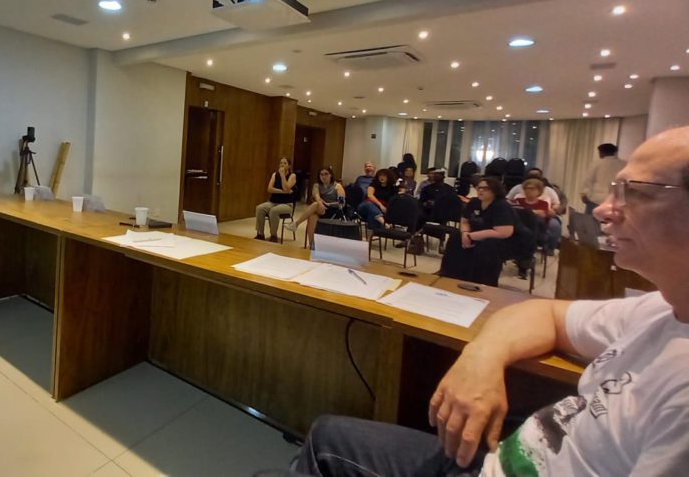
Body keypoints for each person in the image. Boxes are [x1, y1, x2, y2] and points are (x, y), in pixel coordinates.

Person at [277, 125, 689, 477]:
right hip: (501, 454)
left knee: (326, 441)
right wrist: (483, 356)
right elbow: (545, 311)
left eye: (633, 191)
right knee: (329, 433)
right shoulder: (656, 312)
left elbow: (505, 236)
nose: (602, 210)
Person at [439, 177, 516, 287]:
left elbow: (503, 232)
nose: (481, 190)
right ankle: (449, 274)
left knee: (487, 246)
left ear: (495, 190)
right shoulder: (474, 202)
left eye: (485, 188)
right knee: (455, 238)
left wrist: (471, 236)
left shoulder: (501, 205)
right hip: (476, 234)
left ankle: (483, 281)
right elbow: (465, 221)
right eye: (479, 188)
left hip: (503, 240)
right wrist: (465, 233)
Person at [506, 167, 563, 253]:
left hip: (541, 221)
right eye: (526, 189)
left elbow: (548, 210)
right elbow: (509, 204)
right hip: (520, 223)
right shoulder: (518, 196)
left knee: (552, 225)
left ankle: (548, 248)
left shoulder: (548, 194)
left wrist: (552, 210)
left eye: (532, 189)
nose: (528, 191)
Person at [286, 166, 345, 248]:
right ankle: (312, 245)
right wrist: (321, 203)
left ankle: (296, 224)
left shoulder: (337, 186)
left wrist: (328, 204)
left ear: (331, 175)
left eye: (326, 174)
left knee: (315, 204)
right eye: (321, 174)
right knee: (312, 217)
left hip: (334, 211)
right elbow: (316, 195)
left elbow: (342, 203)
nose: (323, 176)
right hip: (320, 209)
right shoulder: (317, 185)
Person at [254, 157, 297, 243]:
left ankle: (273, 235)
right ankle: (260, 234)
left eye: (285, 163)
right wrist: (282, 191)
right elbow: (269, 189)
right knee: (259, 208)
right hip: (273, 202)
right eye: (281, 163)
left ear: (289, 166)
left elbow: (286, 188)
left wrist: (282, 176)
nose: (282, 165)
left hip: (287, 204)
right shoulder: (274, 174)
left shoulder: (292, 176)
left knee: (274, 211)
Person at [581, 143, 625, 213]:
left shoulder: (596, 164)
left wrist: (584, 194)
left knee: (591, 219)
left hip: (596, 200)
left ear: (602, 152)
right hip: (616, 201)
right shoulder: (624, 164)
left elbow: (588, 181)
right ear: (615, 152)